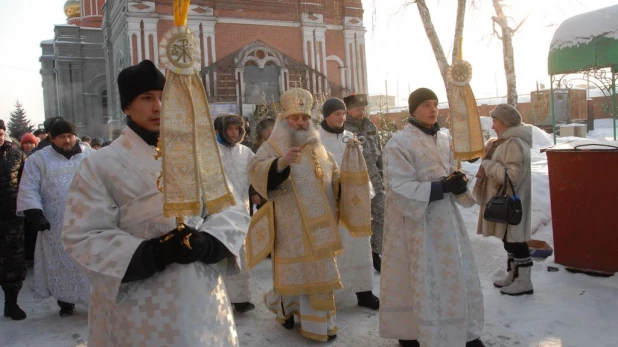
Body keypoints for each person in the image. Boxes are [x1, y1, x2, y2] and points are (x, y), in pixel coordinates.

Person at [61, 60, 249, 346]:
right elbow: (82, 235)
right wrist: (151, 253)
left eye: (164, 97)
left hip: (201, 295)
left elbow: (232, 208)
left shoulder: (198, 155)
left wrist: (209, 243)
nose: (158, 106)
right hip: (138, 303)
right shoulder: (101, 164)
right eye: (147, 98)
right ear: (126, 106)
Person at [379, 88, 485, 347]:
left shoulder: (443, 138)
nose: (433, 109)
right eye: (426, 104)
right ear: (413, 109)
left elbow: (449, 170)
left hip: (446, 223)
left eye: (436, 104)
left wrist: (457, 183)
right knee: (419, 277)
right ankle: (414, 333)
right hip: (416, 225)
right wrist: (439, 188)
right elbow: (398, 189)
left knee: (450, 274)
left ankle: (463, 331)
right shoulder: (398, 143)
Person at [248, 88, 342, 342]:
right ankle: (287, 310)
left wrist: (346, 180)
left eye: (304, 117)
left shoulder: (318, 146)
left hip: (321, 226)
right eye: (294, 117)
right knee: (293, 272)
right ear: (284, 119)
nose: (300, 122)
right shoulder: (272, 146)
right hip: (290, 225)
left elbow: (332, 174)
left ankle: (320, 324)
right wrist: (280, 164)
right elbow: (255, 170)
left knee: (320, 272)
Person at [16, 119, 92, 317]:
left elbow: (107, 178)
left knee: (90, 261)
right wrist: (35, 213)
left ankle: (95, 300)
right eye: (61, 137)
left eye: (70, 135)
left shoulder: (90, 154)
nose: (67, 140)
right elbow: (29, 187)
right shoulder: (38, 160)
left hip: (89, 220)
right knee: (61, 263)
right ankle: (65, 301)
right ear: (52, 138)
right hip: (56, 224)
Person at [318, 98, 379, 310]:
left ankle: (364, 292)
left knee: (359, 243)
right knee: (332, 246)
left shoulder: (351, 138)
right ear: (326, 115)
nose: (342, 118)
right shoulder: (316, 138)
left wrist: (364, 191)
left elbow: (361, 166)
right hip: (328, 201)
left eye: (343, 114)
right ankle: (329, 293)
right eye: (337, 114)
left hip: (354, 200)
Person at [473, 103, 533, 296]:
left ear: (505, 123)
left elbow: (512, 176)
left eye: (495, 121)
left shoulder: (513, 143)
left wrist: (489, 165)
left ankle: (524, 281)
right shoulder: (503, 142)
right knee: (509, 241)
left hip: (511, 203)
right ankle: (514, 275)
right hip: (504, 202)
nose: (492, 126)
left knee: (516, 241)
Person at [214, 114, 256, 313]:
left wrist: (256, 193)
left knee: (241, 253)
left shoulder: (246, 152)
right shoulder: (211, 151)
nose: (233, 133)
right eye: (230, 129)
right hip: (217, 212)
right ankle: (219, 299)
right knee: (220, 255)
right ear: (222, 130)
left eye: (237, 130)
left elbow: (257, 173)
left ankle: (241, 299)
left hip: (241, 210)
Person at [344, 94, 385, 272]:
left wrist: (382, 175)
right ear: (348, 110)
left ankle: (375, 252)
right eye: (358, 108)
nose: (362, 111)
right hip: (355, 182)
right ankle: (356, 255)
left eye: (363, 108)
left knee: (381, 214)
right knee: (356, 219)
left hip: (375, 180)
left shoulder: (370, 126)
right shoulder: (343, 128)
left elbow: (379, 152)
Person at [0, 119, 28, 320]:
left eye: (0, 133)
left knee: (13, 262)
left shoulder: (16, 154)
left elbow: (27, 184)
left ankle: (12, 303)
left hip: (12, 217)